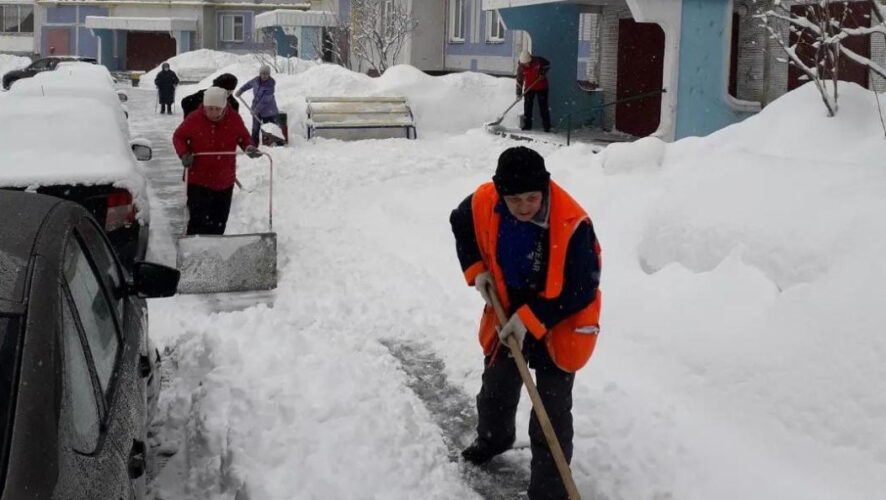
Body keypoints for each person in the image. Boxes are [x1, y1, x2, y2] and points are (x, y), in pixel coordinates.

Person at [449, 146, 601, 500]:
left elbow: (583, 287)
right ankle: (493, 439)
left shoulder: (573, 223)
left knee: (551, 410)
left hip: (559, 317)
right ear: (501, 192)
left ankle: (549, 491)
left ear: (545, 188)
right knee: (497, 387)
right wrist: (476, 269)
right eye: (514, 199)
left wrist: (532, 319)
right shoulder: (487, 200)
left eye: (532, 197)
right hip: (509, 306)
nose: (523, 207)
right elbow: (460, 220)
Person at [172, 87, 262, 235]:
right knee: (198, 221)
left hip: (224, 180)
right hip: (198, 180)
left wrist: (249, 147)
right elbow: (178, 137)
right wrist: (184, 153)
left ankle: (216, 247)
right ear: (204, 106)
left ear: (224, 107)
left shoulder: (234, 119)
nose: (213, 112)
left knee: (219, 222)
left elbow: (243, 137)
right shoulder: (194, 118)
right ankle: (194, 246)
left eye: (217, 109)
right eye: (210, 109)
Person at [236, 65, 279, 145]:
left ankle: (269, 146)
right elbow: (248, 85)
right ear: (260, 73)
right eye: (263, 73)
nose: (264, 76)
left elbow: (265, 100)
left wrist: (256, 110)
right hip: (256, 108)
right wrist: (241, 90)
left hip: (268, 110)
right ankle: (254, 145)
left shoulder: (270, 84)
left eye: (266, 74)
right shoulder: (256, 80)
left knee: (267, 128)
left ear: (269, 74)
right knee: (255, 128)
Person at [516, 50, 552, 132]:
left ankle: (547, 127)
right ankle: (527, 126)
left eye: (527, 63)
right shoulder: (521, 67)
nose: (526, 65)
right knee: (527, 108)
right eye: (524, 64)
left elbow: (547, 64)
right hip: (529, 88)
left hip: (542, 87)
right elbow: (519, 81)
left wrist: (543, 73)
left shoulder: (538, 61)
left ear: (530, 59)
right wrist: (518, 93)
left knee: (543, 108)